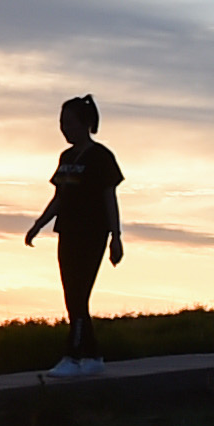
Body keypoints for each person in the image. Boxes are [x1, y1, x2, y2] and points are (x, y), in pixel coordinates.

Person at [20, 95, 126, 379]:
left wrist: (116, 237)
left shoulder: (101, 157)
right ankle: (93, 356)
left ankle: (73, 356)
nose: (64, 129)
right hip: (66, 232)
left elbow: (109, 198)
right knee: (72, 296)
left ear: (85, 124)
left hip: (93, 234)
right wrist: (38, 225)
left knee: (79, 294)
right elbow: (59, 198)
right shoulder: (66, 158)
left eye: (69, 123)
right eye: (61, 123)